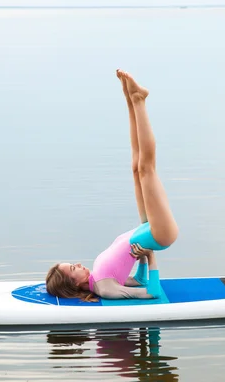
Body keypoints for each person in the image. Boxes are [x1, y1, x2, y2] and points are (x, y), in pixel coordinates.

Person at [45, 69, 179, 300]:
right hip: (158, 235)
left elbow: (137, 280)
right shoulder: (104, 289)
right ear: (74, 284)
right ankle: (139, 101)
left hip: (146, 228)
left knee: (136, 168)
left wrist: (143, 260)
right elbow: (150, 292)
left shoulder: (99, 277)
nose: (78, 263)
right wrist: (151, 256)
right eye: (73, 269)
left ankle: (131, 99)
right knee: (147, 170)